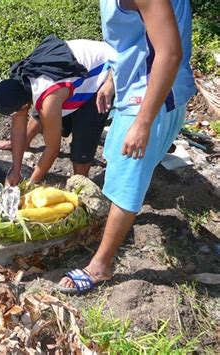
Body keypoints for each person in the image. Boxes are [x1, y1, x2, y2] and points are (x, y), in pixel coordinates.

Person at [58, 0, 196, 294]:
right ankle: (116, 225)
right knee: (118, 168)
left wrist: (143, 122)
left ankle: (101, 266)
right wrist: (111, 80)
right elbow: (132, 40)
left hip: (152, 97)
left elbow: (169, 54)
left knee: (126, 181)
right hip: (135, 88)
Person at [0, 35, 116, 184]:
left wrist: (31, 184)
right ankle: (25, 144)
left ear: (24, 106)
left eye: (16, 113)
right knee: (44, 111)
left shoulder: (48, 100)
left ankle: (80, 181)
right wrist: (15, 170)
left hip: (106, 71)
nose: (16, 117)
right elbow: (18, 123)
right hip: (71, 72)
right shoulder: (21, 77)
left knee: (83, 139)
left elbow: (52, 149)